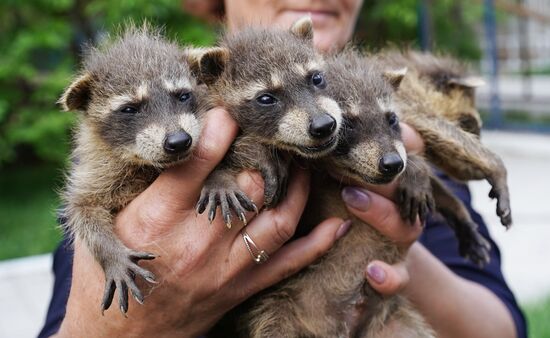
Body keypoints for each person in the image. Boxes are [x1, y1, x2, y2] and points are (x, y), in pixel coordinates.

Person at [39, 1, 526, 337]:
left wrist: (383, 239)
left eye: (314, 80)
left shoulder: (386, 126)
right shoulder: (179, 108)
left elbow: (503, 325)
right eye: (270, 97)